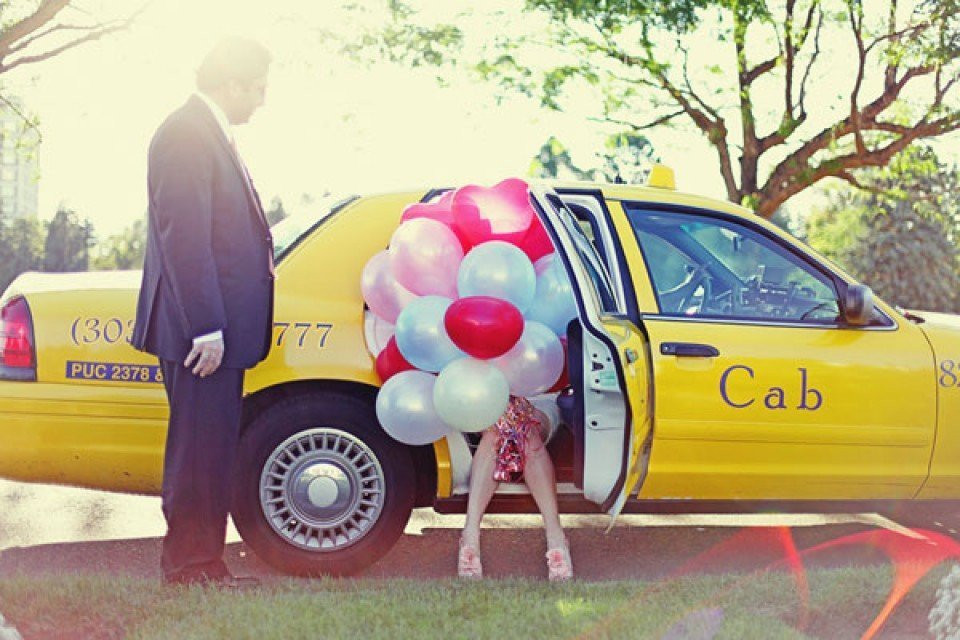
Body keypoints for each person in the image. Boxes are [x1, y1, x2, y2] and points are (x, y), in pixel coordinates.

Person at [131, 36, 274, 588]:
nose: (261, 100)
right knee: (197, 454)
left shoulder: (207, 132)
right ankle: (190, 568)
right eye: (257, 88)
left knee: (211, 451)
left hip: (215, 332)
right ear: (232, 83)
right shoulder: (186, 134)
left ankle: (204, 564)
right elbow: (186, 238)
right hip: (201, 336)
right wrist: (207, 328)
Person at [458, 396, 573, 581]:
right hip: (489, 399)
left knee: (526, 431)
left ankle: (556, 537)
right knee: (495, 432)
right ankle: (470, 536)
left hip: (540, 400)